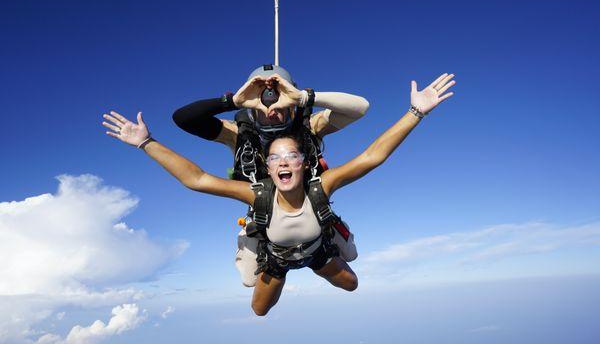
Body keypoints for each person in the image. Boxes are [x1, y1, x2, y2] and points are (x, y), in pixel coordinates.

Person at [102, 73, 456, 316]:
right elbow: (196, 177)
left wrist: (415, 112)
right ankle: (279, 260)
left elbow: (371, 154)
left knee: (352, 283)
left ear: (305, 163)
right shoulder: (252, 182)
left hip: (319, 248)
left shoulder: (319, 173)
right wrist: (146, 142)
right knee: (258, 309)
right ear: (268, 168)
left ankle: (323, 251)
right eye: (275, 159)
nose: (284, 163)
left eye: (292, 157)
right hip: (274, 256)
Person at [172, 65, 370, 181]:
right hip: (263, 224)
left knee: (346, 250)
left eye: (280, 105)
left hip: (312, 215)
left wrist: (303, 98)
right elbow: (183, 118)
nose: (272, 111)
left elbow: (360, 107)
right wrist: (232, 102)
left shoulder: (309, 126)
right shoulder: (238, 133)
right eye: (264, 106)